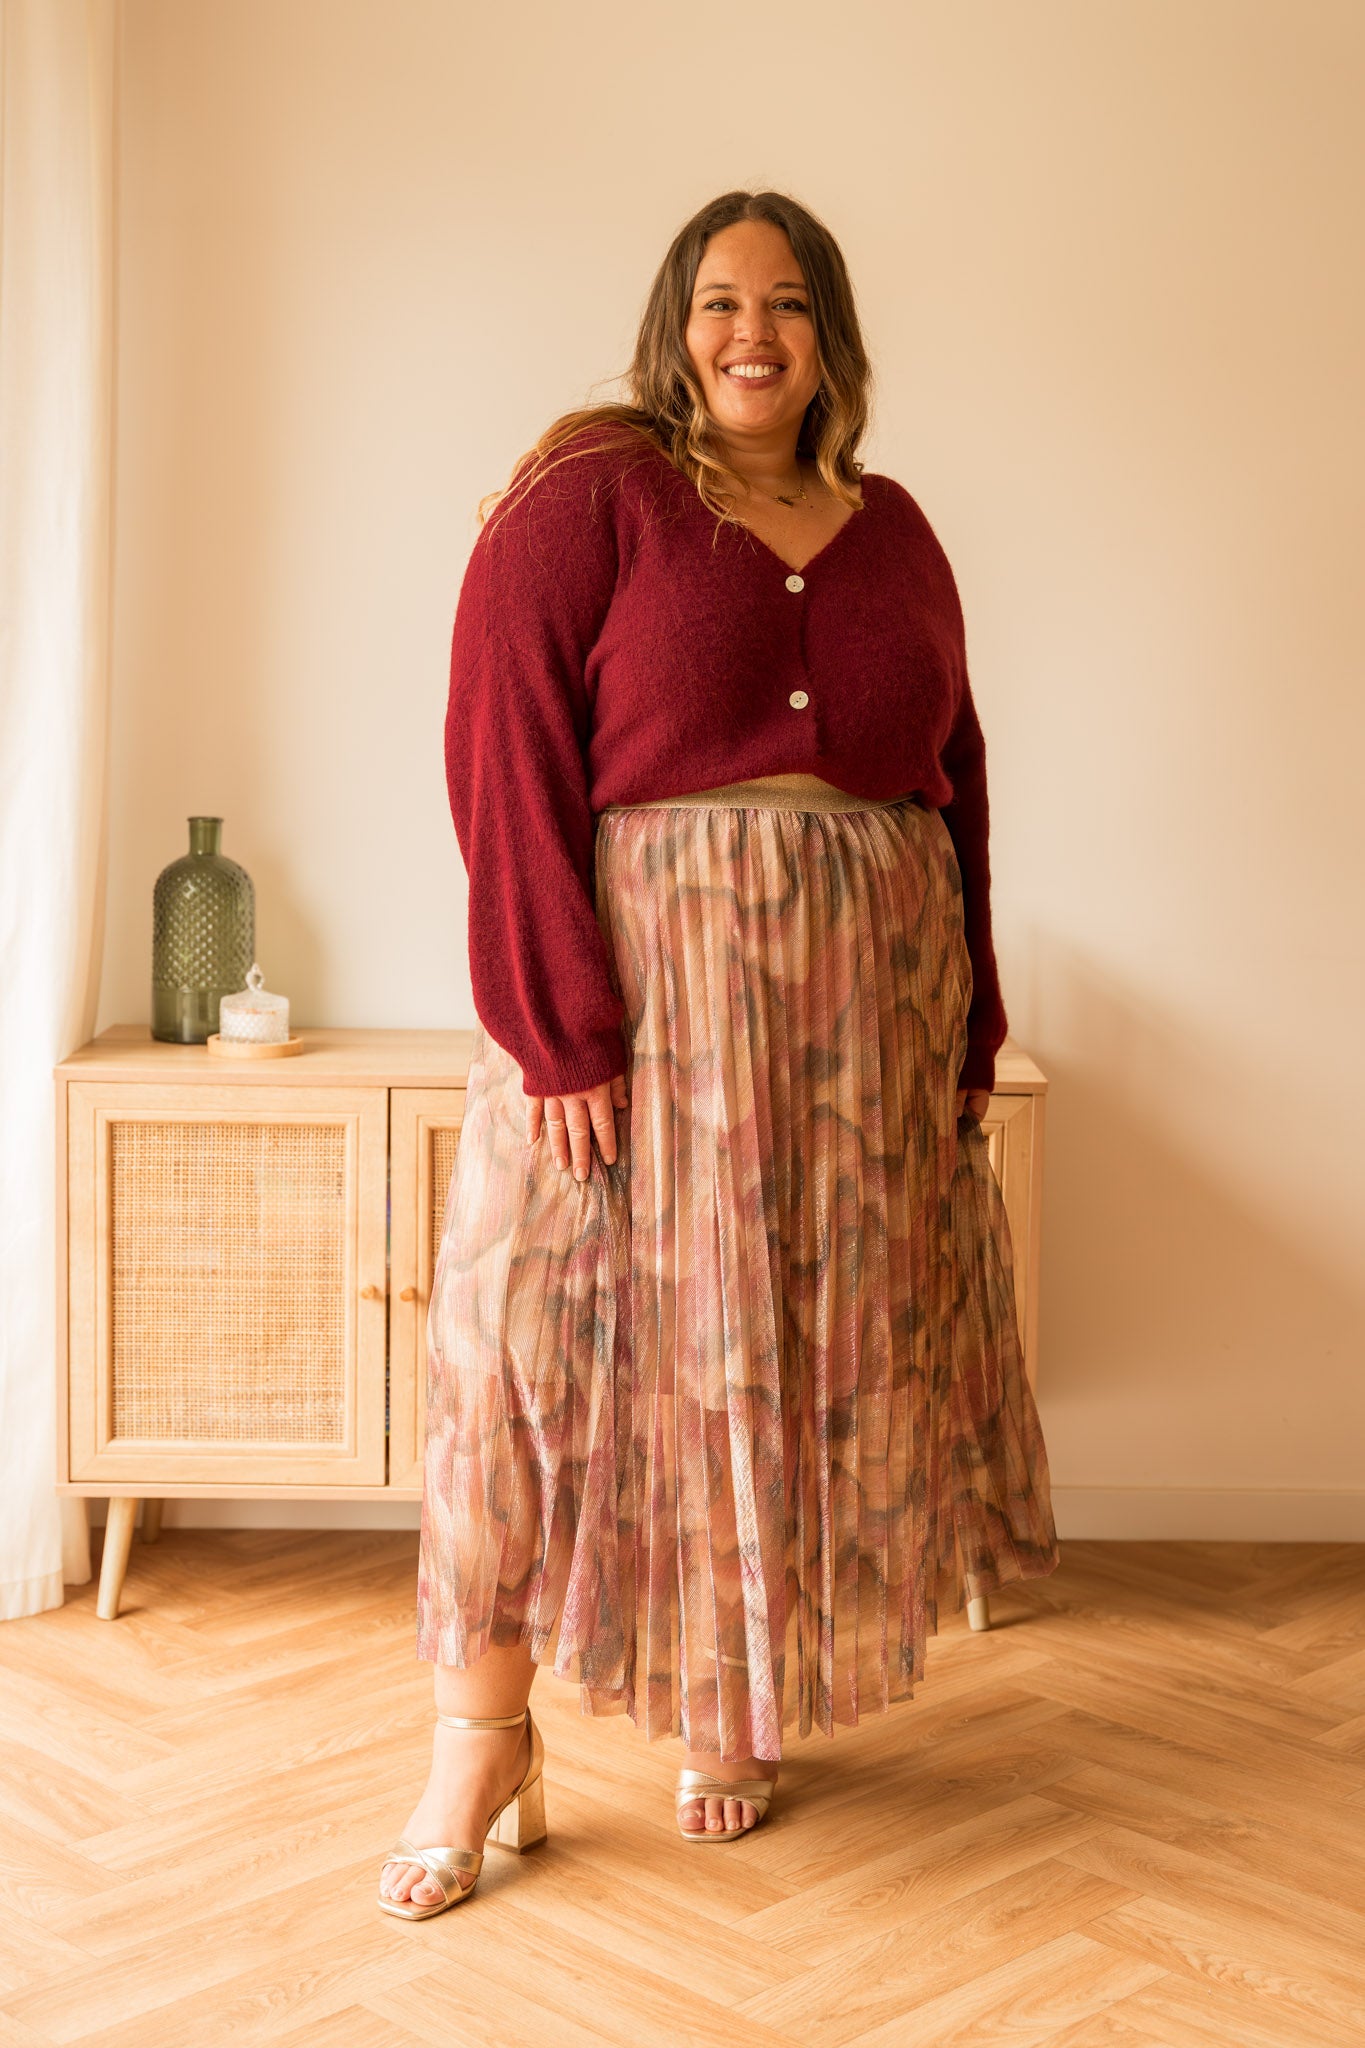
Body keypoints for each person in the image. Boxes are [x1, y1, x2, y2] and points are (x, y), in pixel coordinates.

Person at [379, 188, 1059, 1919]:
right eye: (719, 302)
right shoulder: (589, 495)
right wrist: (558, 1029)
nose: (752, 333)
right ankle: (478, 1739)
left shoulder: (893, 528)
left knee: (773, 1358)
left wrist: (967, 1030)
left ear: (831, 335)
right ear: (672, 328)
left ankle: (729, 1699)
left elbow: (955, 791)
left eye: (787, 303)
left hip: (856, 1022)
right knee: (523, 1352)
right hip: (637, 1004)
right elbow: (502, 756)